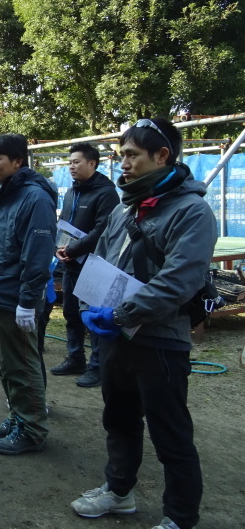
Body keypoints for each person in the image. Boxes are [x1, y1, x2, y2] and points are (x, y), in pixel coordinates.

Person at [70, 118, 216, 529]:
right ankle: (119, 492)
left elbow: (178, 282)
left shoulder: (193, 212)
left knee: (171, 434)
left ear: (162, 155)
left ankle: (180, 518)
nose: (123, 165)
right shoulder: (124, 208)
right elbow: (102, 259)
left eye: (132, 156)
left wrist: (118, 315)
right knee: (118, 419)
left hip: (161, 342)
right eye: (121, 156)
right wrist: (87, 303)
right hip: (118, 339)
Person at [0, 133, 55, 455]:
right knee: (3, 362)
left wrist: (28, 302)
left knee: (21, 364)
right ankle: (18, 416)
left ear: (18, 161)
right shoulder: (6, 195)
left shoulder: (35, 199)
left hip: (15, 297)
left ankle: (32, 430)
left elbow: (37, 254)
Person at [51, 143, 120, 388]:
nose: (71, 166)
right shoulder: (72, 192)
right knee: (71, 313)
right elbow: (63, 223)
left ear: (92, 163)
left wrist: (72, 250)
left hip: (93, 265)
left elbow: (101, 231)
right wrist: (60, 248)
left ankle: (97, 367)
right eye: (69, 162)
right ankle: (75, 358)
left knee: (92, 316)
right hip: (70, 263)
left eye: (76, 162)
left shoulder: (106, 193)